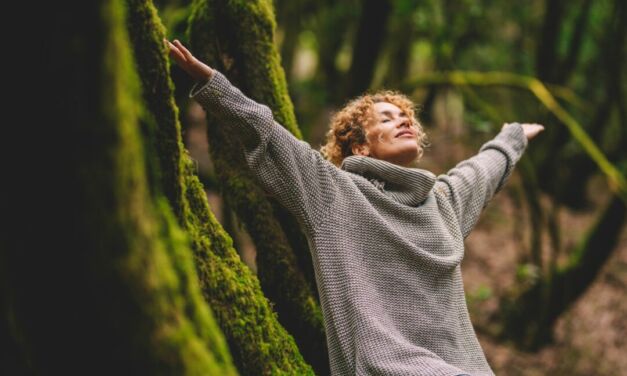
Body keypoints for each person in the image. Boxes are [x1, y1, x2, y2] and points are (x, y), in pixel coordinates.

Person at [167, 39, 544, 376]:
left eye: (407, 118)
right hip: (384, 367)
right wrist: (213, 85)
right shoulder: (333, 194)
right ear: (361, 146)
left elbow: (481, 171)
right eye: (388, 117)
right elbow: (268, 134)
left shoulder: (442, 203)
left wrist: (513, 138)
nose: (404, 121)